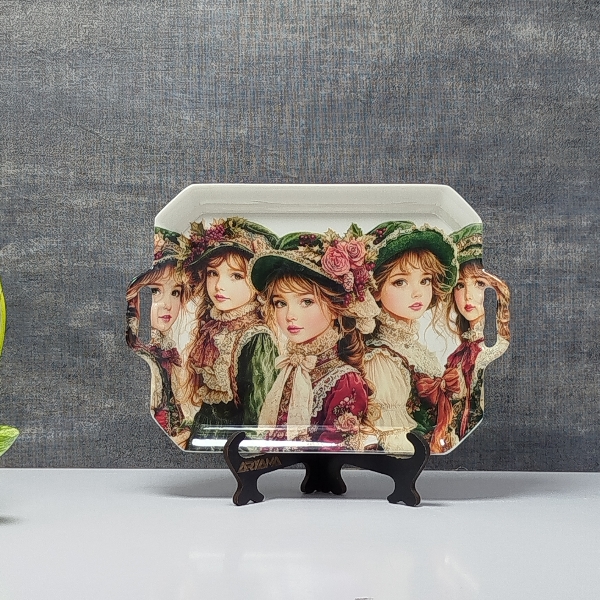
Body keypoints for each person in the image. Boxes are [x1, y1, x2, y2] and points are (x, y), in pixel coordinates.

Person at [250, 226, 381, 450]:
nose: (290, 315)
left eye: (306, 301)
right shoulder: (291, 368)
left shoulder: (345, 380)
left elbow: (334, 456)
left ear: (336, 307)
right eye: (280, 303)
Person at [179, 218, 280, 449]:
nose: (219, 286)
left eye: (236, 276)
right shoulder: (213, 327)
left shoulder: (257, 338)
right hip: (203, 437)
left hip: (234, 445)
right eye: (213, 273)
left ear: (257, 282)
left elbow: (258, 418)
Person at [364, 221, 460, 454]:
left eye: (425, 280)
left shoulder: (411, 348)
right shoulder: (380, 358)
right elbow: (393, 439)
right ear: (375, 289)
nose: (417, 292)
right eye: (400, 281)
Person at [444, 223, 510, 445]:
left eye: (479, 284)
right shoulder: (461, 352)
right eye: (460, 285)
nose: (468, 295)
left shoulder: (494, 347)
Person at [126, 228, 190, 446]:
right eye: (155, 291)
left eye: (175, 293)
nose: (167, 304)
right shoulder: (146, 352)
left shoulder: (174, 350)